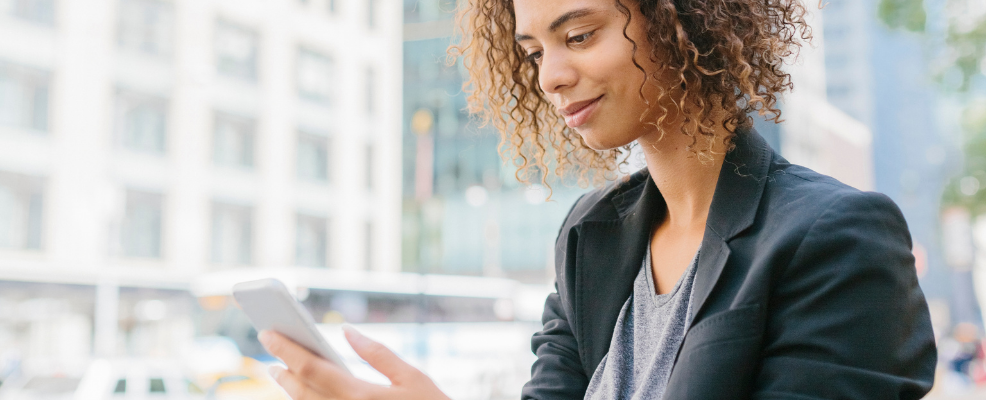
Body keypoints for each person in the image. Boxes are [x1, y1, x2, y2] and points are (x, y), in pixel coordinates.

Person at [257, 0, 938, 398]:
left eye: (578, 35)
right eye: (532, 51)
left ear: (681, 20)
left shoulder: (840, 236)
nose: (551, 76)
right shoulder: (591, 236)